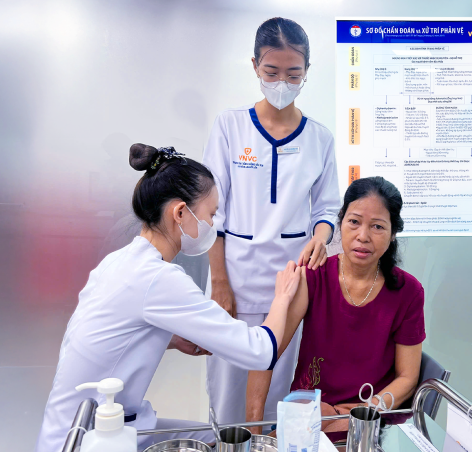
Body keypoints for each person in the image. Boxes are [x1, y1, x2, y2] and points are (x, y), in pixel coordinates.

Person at [35, 144, 303, 452]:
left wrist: (170, 339)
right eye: (211, 214)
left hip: (72, 426)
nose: (212, 226)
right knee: (218, 440)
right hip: (90, 439)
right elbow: (261, 352)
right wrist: (282, 296)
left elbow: (107, 336)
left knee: (212, 436)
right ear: (180, 212)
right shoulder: (158, 279)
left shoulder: (120, 262)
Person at [202, 17, 340, 426]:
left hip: (290, 283)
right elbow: (210, 212)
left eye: (293, 74)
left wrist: (320, 237)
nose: (282, 82)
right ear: (255, 66)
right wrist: (220, 283)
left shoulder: (319, 138)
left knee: (279, 389)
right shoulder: (230, 126)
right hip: (234, 279)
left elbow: (326, 208)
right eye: (272, 71)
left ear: (307, 71)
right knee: (228, 390)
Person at [246, 176, 426, 440]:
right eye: (354, 222)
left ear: (393, 233)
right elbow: (267, 351)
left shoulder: (408, 292)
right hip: (309, 411)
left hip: (366, 417)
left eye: (377, 226)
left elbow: (408, 378)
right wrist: (254, 430)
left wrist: (361, 412)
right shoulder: (313, 276)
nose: (362, 236)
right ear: (340, 222)